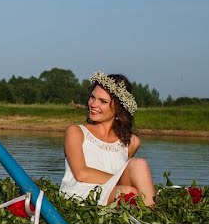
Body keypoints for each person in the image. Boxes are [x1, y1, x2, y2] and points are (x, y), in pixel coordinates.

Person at [60, 72, 157, 206]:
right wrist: (121, 181)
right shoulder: (75, 131)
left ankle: (153, 219)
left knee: (138, 165)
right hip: (79, 196)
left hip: (113, 193)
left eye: (103, 101)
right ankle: (152, 216)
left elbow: (127, 176)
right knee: (128, 191)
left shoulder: (131, 142)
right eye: (92, 97)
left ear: (118, 109)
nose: (93, 104)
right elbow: (81, 174)